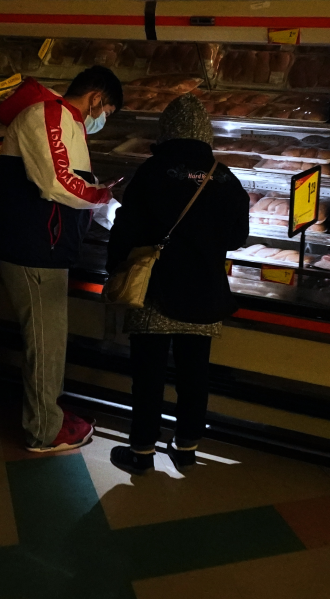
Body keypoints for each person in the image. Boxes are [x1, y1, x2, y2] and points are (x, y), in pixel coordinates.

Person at [105, 95, 249, 475]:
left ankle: (141, 452)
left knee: (148, 375)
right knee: (194, 375)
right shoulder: (225, 176)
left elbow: (126, 227)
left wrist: (115, 268)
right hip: (205, 292)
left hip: (156, 289)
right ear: (206, 132)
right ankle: (186, 447)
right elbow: (238, 237)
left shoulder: (153, 171)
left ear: (166, 130)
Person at [0, 66, 123, 452]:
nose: (103, 120)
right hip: (32, 248)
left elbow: (79, 183)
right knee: (45, 342)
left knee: (51, 340)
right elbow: (56, 183)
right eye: (108, 111)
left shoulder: (68, 123)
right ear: (97, 97)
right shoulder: (47, 114)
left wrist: (115, 215)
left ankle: (49, 412)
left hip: (48, 247)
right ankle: (43, 431)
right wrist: (101, 198)